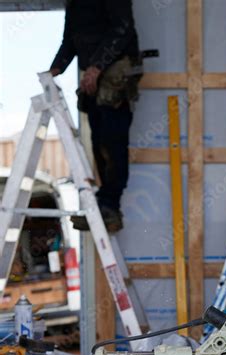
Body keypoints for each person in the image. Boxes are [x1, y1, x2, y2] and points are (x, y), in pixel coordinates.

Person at [50, 0, 141, 233]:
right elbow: (69, 42)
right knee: (98, 141)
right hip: (94, 78)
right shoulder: (74, 4)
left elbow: (122, 29)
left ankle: (110, 205)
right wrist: (54, 71)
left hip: (114, 73)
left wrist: (96, 67)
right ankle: (105, 206)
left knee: (113, 140)